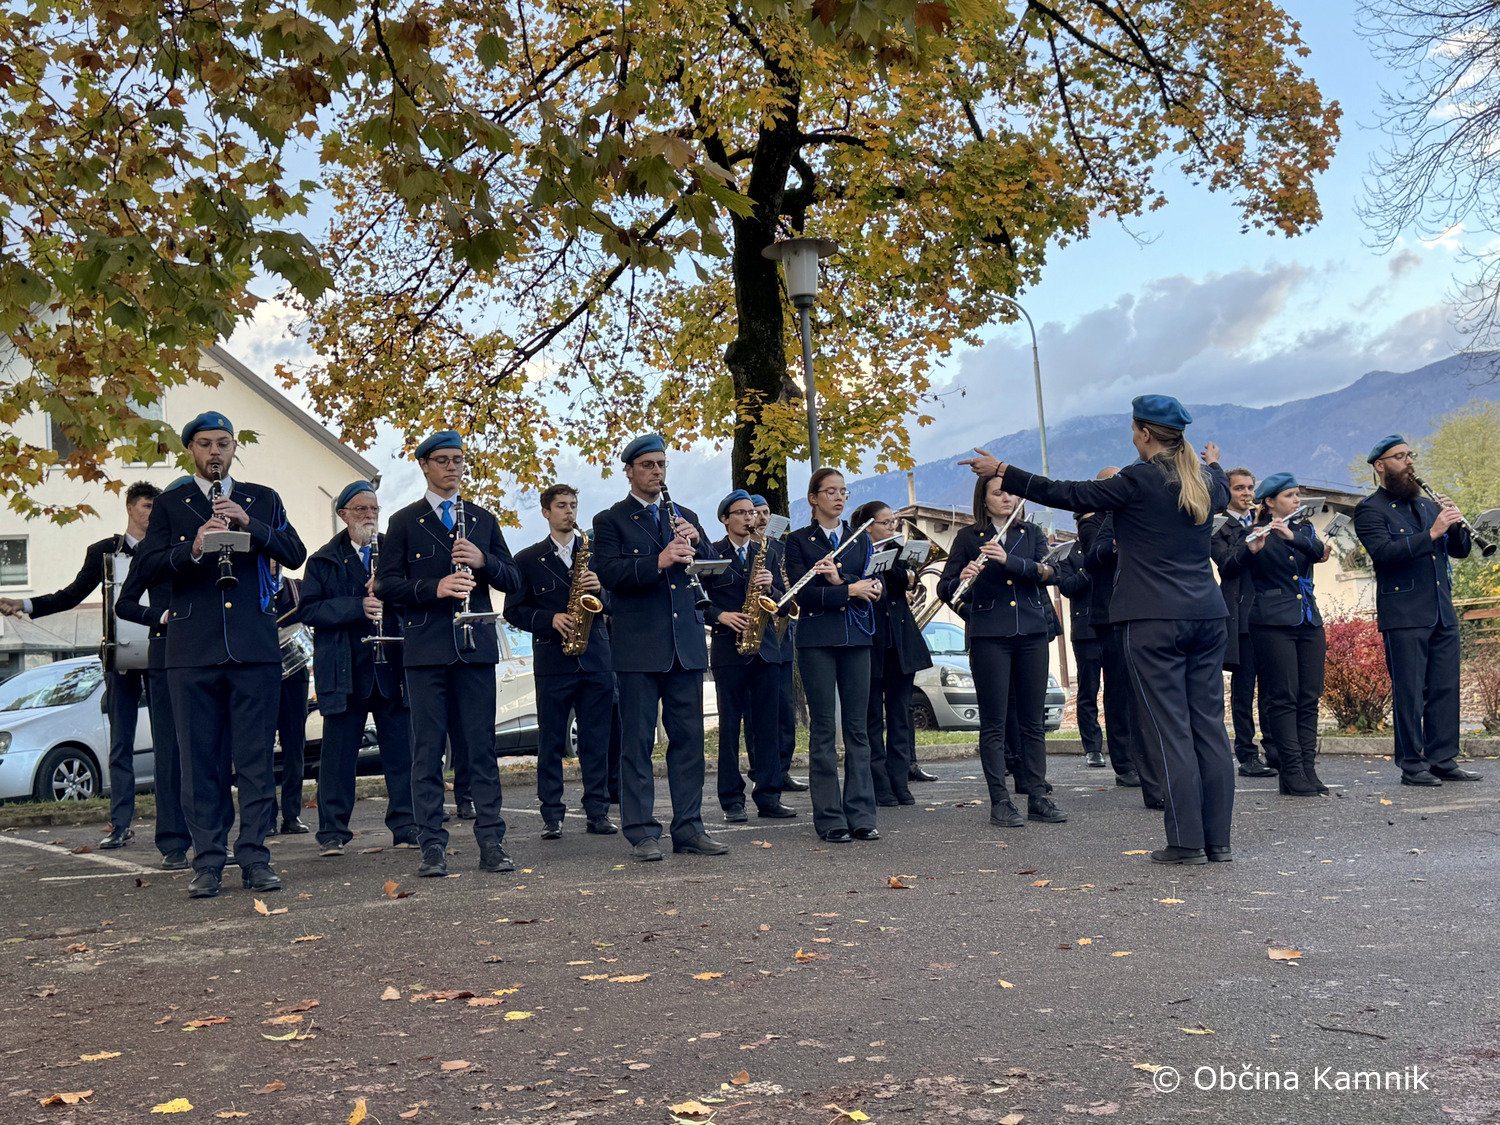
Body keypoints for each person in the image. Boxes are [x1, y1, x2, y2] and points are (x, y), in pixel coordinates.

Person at [963, 395, 1235, 865]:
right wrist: (1215, 463)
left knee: (1171, 730)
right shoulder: (1209, 480)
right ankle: (1219, 842)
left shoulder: (1138, 480)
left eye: (1134, 430)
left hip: (1153, 620)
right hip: (1209, 615)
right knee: (1210, 729)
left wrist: (1003, 469)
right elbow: (1224, 484)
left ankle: (1187, 842)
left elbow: (1067, 493)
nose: (1133, 437)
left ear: (1144, 433)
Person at [133, 413, 306, 897]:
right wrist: (193, 547)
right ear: (191, 450)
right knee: (200, 761)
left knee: (254, 760)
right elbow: (146, 567)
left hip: (253, 648)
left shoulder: (263, 498)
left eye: (223, 444)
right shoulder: (170, 504)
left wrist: (250, 524)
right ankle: (207, 860)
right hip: (192, 650)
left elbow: (295, 552)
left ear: (234, 449)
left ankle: (255, 857)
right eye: (205, 444)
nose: (215, 452)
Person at [374, 430, 523, 876]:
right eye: (443, 460)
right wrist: (434, 588)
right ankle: (431, 845)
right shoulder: (404, 521)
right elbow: (385, 585)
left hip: (474, 647)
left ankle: (492, 842)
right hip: (426, 650)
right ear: (423, 465)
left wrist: (485, 562)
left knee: (481, 749)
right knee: (427, 750)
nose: (453, 467)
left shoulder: (481, 518)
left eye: (459, 459)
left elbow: (512, 580)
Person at [0, 481, 159, 848]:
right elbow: (71, 594)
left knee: (168, 742)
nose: (152, 514)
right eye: (148, 506)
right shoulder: (104, 552)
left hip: (162, 652)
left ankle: (173, 826)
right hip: (120, 654)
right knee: (120, 743)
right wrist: (24, 605)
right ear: (131, 508)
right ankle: (120, 824)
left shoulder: (167, 550)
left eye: (156, 508)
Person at [592, 434, 728, 861]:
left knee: (688, 741)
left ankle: (689, 827)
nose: (656, 471)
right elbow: (608, 574)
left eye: (662, 465)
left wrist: (698, 543)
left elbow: (712, 573)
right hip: (638, 648)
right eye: (648, 465)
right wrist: (658, 561)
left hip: (684, 645)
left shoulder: (683, 515)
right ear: (629, 470)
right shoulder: (610, 520)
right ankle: (642, 831)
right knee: (636, 743)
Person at [296, 480, 418, 854]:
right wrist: (356, 606)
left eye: (374, 510)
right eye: (362, 510)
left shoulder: (395, 554)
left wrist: (391, 594)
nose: (370, 516)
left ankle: (408, 827)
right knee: (337, 759)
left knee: (402, 754)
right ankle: (332, 833)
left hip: (391, 668)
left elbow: (415, 600)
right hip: (344, 671)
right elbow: (309, 610)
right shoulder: (322, 560)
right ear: (343, 514)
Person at [1354, 435, 1481, 787]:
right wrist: (1432, 534)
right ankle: (1412, 764)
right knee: (1410, 692)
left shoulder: (1427, 506)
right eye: (1399, 457)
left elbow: (1456, 552)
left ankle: (1443, 759)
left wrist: (1454, 526)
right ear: (1380, 466)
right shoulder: (1369, 509)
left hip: (1441, 609)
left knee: (1445, 687)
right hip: (1405, 613)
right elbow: (1383, 553)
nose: (1409, 462)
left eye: (1410, 455)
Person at [937, 478, 1063, 828]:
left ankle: (1038, 795)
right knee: (993, 722)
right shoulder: (967, 539)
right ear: (984, 500)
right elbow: (945, 588)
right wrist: (964, 580)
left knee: (1032, 721)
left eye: (1011, 492)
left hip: (1032, 633)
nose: (1007, 498)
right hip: (990, 636)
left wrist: (1008, 561)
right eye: (998, 493)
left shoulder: (1032, 533)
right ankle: (1001, 801)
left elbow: (1049, 573)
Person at [503, 484, 619, 839]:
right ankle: (551, 814)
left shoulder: (597, 555)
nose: (569, 512)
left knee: (596, 740)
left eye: (573, 505)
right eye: (562, 506)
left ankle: (597, 811)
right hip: (554, 661)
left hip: (597, 659)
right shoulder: (526, 559)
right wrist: (549, 620)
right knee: (551, 740)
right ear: (546, 512)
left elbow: (620, 603)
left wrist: (603, 590)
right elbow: (513, 610)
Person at [784, 467, 882, 844]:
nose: (839, 498)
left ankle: (862, 814)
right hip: (816, 641)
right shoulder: (798, 542)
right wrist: (847, 591)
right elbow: (801, 595)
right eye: (830, 492)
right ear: (813, 499)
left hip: (857, 639)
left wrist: (846, 585)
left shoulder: (861, 540)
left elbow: (876, 588)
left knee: (858, 728)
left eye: (844, 491)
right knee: (824, 728)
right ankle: (829, 818)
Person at [1224, 473, 1328, 796]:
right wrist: (1251, 549)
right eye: (1289, 496)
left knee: (1309, 698)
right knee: (1284, 697)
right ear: (1270, 502)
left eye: (1297, 495)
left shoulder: (1303, 530)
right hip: (1270, 622)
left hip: (1308, 621)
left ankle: (1308, 769)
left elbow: (1319, 551)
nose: (1297, 501)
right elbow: (1227, 568)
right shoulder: (1253, 533)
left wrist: (1290, 537)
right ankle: (1291, 771)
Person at [705, 490, 796, 821]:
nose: (749, 518)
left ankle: (769, 795)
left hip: (766, 649)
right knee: (730, 727)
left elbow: (785, 604)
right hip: (730, 649)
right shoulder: (712, 553)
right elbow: (696, 602)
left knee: (767, 726)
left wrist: (772, 587)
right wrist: (720, 615)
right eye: (740, 513)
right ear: (725, 519)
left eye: (751, 513)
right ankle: (732, 799)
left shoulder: (766, 553)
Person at [115, 478, 191, 870]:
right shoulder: (150, 550)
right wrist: (159, 616)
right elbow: (124, 604)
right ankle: (173, 842)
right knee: (169, 753)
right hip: (165, 658)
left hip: (209, 658)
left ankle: (211, 836)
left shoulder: (210, 540)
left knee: (210, 752)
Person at [852, 502, 931, 806]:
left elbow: (906, 581)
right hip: (871, 642)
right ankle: (878, 783)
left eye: (894, 522)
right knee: (872, 717)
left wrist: (907, 571)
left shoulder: (897, 553)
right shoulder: (857, 553)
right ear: (867, 527)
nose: (892, 527)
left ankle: (900, 780)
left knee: (901, 715)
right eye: (886, 523)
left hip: (900, 641)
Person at [1211, 468, 1277, 777]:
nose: (1247, 493)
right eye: (1240, 488)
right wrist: (1249, 543)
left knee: (1271, 688)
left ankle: (1274, 749)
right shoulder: (1219, 528)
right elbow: (1225, 564)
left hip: (1270, 613)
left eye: (1251, 487)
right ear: (1228, 493)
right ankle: (1247, 754)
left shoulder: (1266, 523)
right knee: (1243, 690)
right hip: (1241, 616)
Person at [751, 495, 806, 792]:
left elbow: (789, 589)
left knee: (785, 709)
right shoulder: (745, 549)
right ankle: (760, 767)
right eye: (756, 513)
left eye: (766, 512)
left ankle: (782, 769)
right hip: (755, 637)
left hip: (781, 637)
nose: (761, 518)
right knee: (758, 710)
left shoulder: (781, 549)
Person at [270, 568, 312, 834]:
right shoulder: (249, 586)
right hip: (259, 676)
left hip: (294, 676)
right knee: (259, 748)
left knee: (294, 745)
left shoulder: (296, 588)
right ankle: (265, 816)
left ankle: (292, 815)